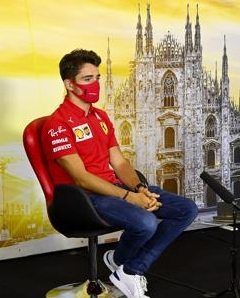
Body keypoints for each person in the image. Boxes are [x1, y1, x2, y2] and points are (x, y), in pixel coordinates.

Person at [41, 49, 198, 298]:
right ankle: (126, 266)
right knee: (145, 223)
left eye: (97, 77)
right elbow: (81, 178)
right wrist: (129, 199)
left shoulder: (100, 117)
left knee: (186, 210)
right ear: (69, 84)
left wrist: (138, 189)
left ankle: (129, 269)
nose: (95, 85)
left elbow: (120, 163)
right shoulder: (56, 125)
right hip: (82, 199)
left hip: (113, 188)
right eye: (87, 79)